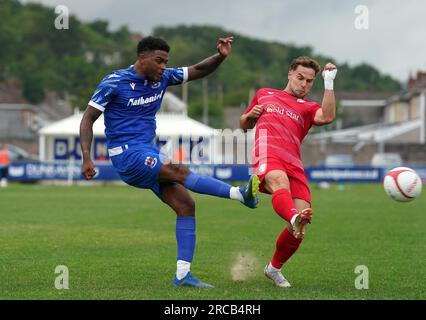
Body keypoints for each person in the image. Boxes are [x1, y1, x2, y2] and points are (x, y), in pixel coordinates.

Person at [80, 36, 259, 288]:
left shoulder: (162, 77)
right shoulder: (114, 82)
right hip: (127, 154)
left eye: (166, 62)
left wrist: (220, 56)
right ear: (143, 58)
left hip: (148, 151)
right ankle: (240, 194)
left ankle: (183, 275)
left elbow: (198, 70)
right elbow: (88, 119)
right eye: (159, 61)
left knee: (186, 204)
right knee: (176, 169)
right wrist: (87, 157)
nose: (164, 67)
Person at [240, 56, 337, 288]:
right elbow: (244, 125)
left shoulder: (308, 107)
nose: (304, 84)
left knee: (300, 228)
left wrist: (329, 82)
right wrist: (248, 117)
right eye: (300, 78)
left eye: (310, 81)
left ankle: (273, 268)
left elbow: (328, 116)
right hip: (267, 154)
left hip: (293, 163)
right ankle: (292, 215)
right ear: (290, 74)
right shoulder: (265, 93)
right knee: (279, 181)